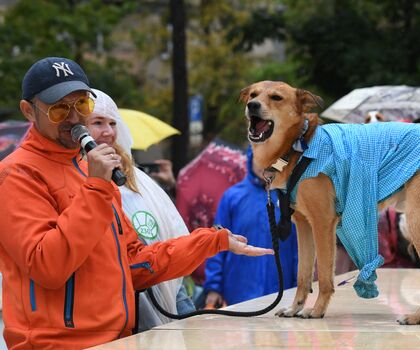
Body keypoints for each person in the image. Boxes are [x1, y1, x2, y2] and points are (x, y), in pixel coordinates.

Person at [0, 56, 273, 349]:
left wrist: (210, 242)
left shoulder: (87, 167)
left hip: (118, 338)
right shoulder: (17, 174)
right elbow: (47, 265)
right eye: (58, 110)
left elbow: (134, 262)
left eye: (81, 105)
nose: (74, 118)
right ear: (29, 111)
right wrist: (97, 187)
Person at [85, 88, 195, 332]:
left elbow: (171, 227)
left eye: (113, 123)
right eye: (98, 123)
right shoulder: (80, 179)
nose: (108, 132)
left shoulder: (136, 177)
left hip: (171, 289)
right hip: (126, 302)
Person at [203, 147, 298, 307]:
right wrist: (214, 288)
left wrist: (300, 284)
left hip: (281, 293)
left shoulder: (290, 198)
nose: (265, 164)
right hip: (239, 294)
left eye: (271, 158)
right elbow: (216, 244)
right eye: (260, 158)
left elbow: (299, 248)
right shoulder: (232, 197)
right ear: (250, 159)